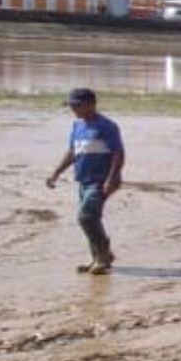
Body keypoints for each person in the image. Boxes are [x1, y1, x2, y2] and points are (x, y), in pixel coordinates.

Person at [46, 87, 125, 274]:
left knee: (86, 216)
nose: (73, 109)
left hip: (100, 181)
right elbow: (73, 152)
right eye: (71, 106)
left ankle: (103, 255)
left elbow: (118, 153)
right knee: (90, 218)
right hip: (84, 180)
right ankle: (97, 256)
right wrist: (56, 172)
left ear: (90, 104)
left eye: (77, 106)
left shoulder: (107, 126)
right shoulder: (78, 126)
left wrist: (112, 178)